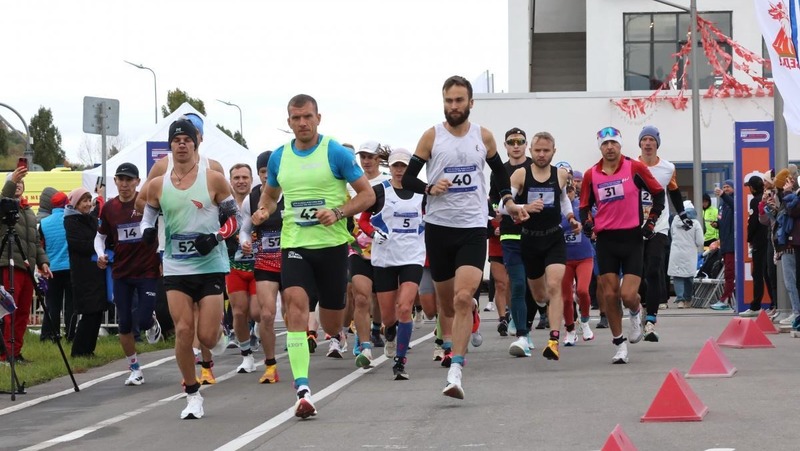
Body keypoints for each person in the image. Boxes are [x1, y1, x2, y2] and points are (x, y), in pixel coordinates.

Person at [401, 76, 527, 399]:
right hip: (439, 229)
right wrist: (430, 187)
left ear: (471, 102)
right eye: (448, 101)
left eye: (459, 100)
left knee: (459, 298)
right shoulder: (432, 137)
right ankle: (465, 312)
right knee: (446, 304)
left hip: (472, 227)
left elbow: (499, 175)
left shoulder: (482, 136)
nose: (453, 107)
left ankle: (455, 370)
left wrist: (507, 202)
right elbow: (409, 179)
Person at [252, 94, 375, 418]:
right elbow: (270, 193)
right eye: (296, 118)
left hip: (332, 247)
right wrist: (264, 210)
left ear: (318, 118)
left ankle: (339, 331)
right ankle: (303, 390)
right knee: (294, 303)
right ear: (289, 121)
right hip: (295, 245)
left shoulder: (334, 151)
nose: (302, 123)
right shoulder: (279, 158)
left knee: (333, 323)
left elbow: (367, 194)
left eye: (307, 117)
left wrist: (338, 211)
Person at [140, 118, 239, 420]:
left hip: (210, 265)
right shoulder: (158, 184)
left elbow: (233, 221)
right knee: (183, 331)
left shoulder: (214, 179)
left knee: (206, 337)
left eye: (186, 139)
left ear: (196, 144)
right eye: (176, 139)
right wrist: (146, 231)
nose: (181, 144)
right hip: (176, 267)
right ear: (170, 145)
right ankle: (192, 394)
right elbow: (146, 215)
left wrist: (215, 237)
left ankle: (217, 335)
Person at [579, 126, 665, 364]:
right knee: (609, 294)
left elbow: (659, 194)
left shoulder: (634, 168)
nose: (609, 148)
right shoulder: (591, 174)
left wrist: (650, 223)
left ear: (620, 145)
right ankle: (619, 345)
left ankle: (637, 312)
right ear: (600, 147)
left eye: (613, 143)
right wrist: (587, 224)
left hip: (632, 238)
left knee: (628, 295)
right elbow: (584, 205)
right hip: (606, 240)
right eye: (605, 144)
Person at [507, 131, 579, 360]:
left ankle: (553, 340)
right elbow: (502, 205)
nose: (541, 154)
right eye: (537, 150)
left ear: (553, 152)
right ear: (530, 151)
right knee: (540, 294)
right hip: (530, 239)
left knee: (556, 285)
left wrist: (570, 217)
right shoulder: (520, 175)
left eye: (546, 150)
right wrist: (523, 208)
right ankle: (542, 306)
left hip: (554, 238)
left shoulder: (560, 174)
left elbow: (563, 199)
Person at [358, 148, 425, 380]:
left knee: (405, 307)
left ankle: (400, 360)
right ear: (390, 168)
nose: (399, 171)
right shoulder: (380, 191)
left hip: (412, 256)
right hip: (385, 258)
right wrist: (373, 233)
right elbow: (364, 220)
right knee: (388, 316)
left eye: (404, 167)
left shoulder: (422, 192)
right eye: (396, 166)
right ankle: (390, 334)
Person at [95, 163, 162, 384]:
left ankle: (151, 321)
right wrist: (101, 254)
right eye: (120, 179)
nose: (124, 184)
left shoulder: (146, 204)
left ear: (137, 182)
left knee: (142, 321)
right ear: (115, 181)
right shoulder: (110, 208)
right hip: (122, 272)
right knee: (124, 323)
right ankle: (135, 369)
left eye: (129, 180)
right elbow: (100, 236)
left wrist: (162, 254)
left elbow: (164, 225)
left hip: (147, 270)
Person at [636, 126, 691, 341]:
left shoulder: (668, 168)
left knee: (653, 268)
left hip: (658, 226)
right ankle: (640, 308)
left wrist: (683, 214)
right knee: (637, 273)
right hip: (635, 226)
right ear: (639, 143)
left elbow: (675, 193)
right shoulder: (631, 166)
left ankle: (651, 319)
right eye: (644, 140)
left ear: (657, 144)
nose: (648, 143)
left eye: (652, 140)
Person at [240, 150, 283, 384]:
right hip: (265, 260)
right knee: (266, 315)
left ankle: (300, 352)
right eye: (264, 172)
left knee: (292, 313)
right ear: (259, 174)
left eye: (271, 171)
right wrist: (245, 242)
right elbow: (244, 229)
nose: (268, 176)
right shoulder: (252, 197)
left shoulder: (290, 192)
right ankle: (270, 365)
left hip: (292, 258)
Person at [0, 169, 51, 363]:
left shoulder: (29, 212)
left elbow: (35, 242)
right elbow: (4, 196)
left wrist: (43, 262)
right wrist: (12, 179)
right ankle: (5, 354)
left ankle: (16, 351)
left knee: (23, 312)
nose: (19, 184)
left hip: (26, 267)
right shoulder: (4, 206)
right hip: (8, 263)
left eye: (22, 182)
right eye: (16, 182)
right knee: (8, 311)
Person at [348, 141, 391, 365]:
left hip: (384, 248)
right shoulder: (351, 183)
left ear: (378, 159)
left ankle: (377, 328)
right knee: (361, 297)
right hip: (357, 248)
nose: (366, 160)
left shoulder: (386, 181)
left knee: (381, 299)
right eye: (362, 156)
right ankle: (364, 345)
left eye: (370, 156)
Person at [224, 163, 260, 374]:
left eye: (244, 177)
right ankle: (246, 355)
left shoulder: (259, 202)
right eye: (236, 177)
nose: (241, 181)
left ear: (251, 179)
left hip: (258, 266)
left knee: (256, 311)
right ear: (230, 181)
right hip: (234, 265)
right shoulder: (224, 207)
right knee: (238, 312)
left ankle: (255, 328)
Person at [65, 188, 108, 357]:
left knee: (97, 311)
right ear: (75, 203)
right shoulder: (71, 221)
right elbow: (79, 244)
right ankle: (79, 350)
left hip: (95, 271)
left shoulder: (89, 219)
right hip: (83, 273)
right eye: (84, 201)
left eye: (89, 200)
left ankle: (89, 349)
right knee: (89, 312)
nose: (88, 204)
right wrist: (98, 247)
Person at [561, 184, 594, 345]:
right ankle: (570, 330)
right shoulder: (556, 207)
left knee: (582, 290)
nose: (568, 194)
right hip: (564, 259)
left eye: (570, 190)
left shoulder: (582, 205)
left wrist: (585, 226)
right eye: (565, 191)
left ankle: (585, 320)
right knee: (566, 298)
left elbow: (595, 221)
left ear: (575, 190)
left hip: (584, 256)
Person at [740, 175, 777, 317]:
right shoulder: (766, 197)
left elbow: (753, 222)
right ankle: (774, 303)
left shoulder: (756, 200)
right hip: (767, 238)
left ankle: (756, 306)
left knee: (758, 273)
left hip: (759, 241)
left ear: (753, 187)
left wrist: (749, 238)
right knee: (768, 272)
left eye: (749, 186)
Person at [39, 191, 74, 342]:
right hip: (70, 267)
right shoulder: (70, 220)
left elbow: (42, 245)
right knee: (71, 304)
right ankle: (70, 334)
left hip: (52, 269)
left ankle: (52, 335)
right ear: (66, 203)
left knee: (53, 305)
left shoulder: (44, 223)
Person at [668, 201, 704, 309]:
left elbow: (672, 235)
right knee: (688, 276)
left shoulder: (675, 221)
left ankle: (680, 300)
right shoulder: (696, 223)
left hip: (676, 251)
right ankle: (688, 299)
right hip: (690, 253)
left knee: (678, 276)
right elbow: (700, 241)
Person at [709, 180, 736, 310]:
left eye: (728, 187)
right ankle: (727, 298)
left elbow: (736, 207)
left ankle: (726, 299)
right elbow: (723, 221)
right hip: (725, 243)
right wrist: (717, 224)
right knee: (728, 273)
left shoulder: (733, 200)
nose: (725, 189)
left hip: (732, 244)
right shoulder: (722, 204)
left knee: (730, 272)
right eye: (724, 187)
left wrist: (723, 195)